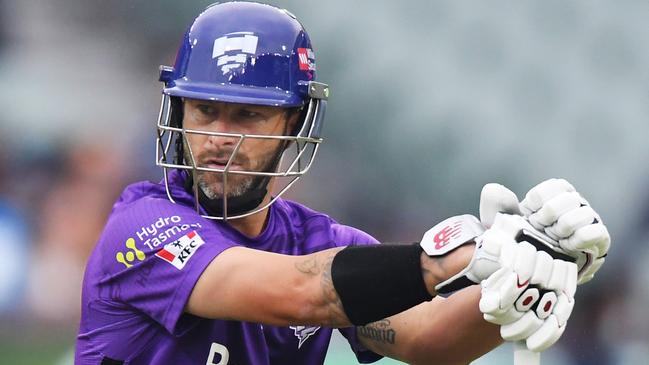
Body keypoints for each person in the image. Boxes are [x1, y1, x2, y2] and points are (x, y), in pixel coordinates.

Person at [75, 3, 610, 364]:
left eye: (250, 115)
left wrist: (527, 270)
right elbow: (302, 292)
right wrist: (463, 257)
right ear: (179, 110)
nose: (220, 137)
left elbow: (427, 339)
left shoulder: (321, 243)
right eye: (205, 110)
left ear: (293, 126)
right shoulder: (141, 227)